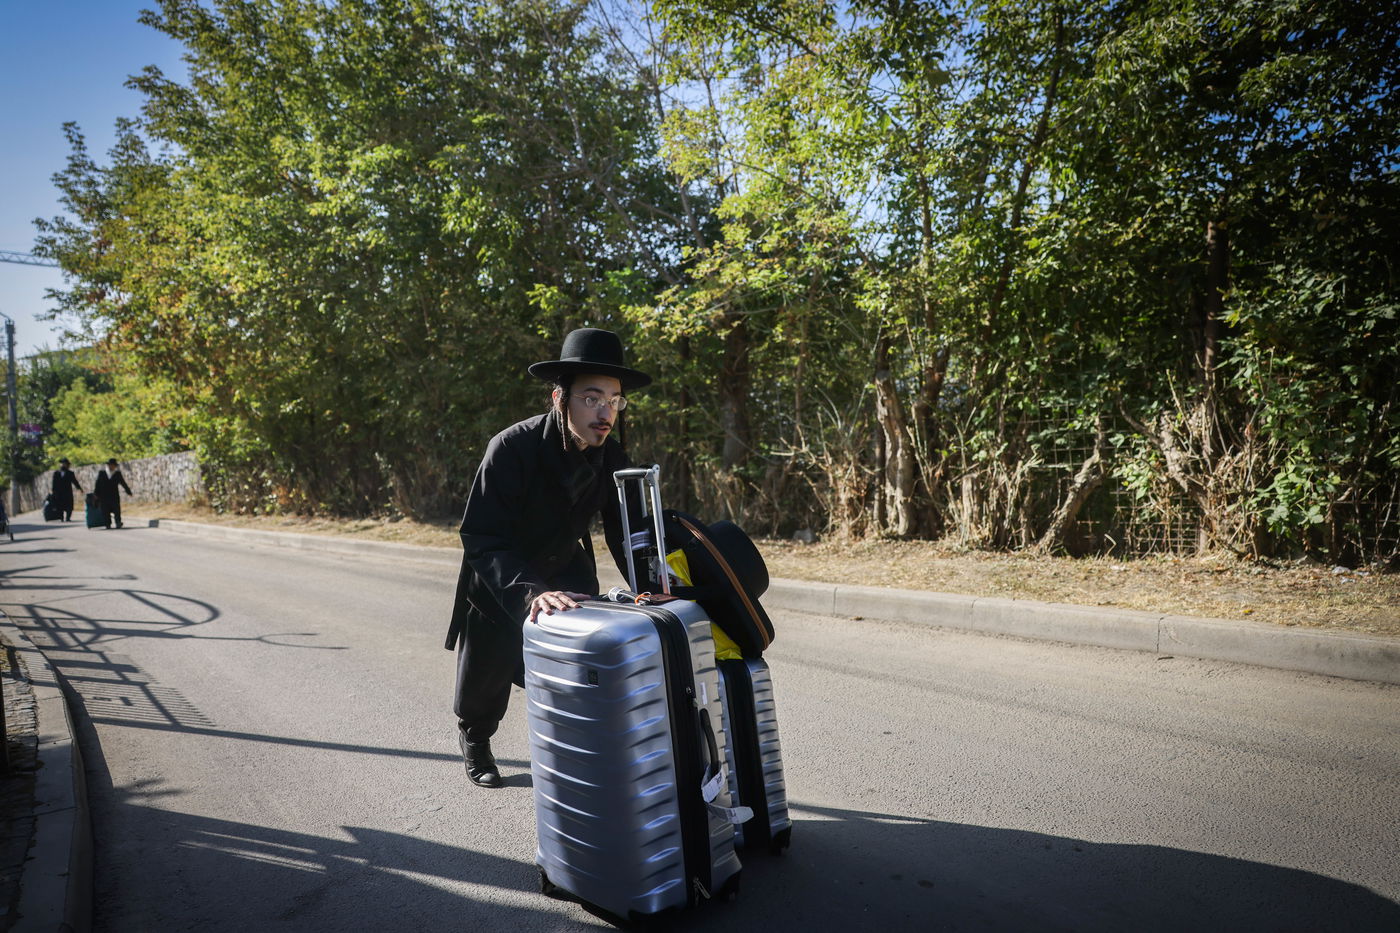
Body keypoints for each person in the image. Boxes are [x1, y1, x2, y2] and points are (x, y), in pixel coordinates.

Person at [444, 327, 650, 788]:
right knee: (485, 679)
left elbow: (628, 531)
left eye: (615, 400)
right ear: (560, 398)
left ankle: (573, 756)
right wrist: (531, 592)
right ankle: (475, 739)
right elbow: (480, 534)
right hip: (503, 578)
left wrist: (648, 585)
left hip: (568, 574)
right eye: (593, 398)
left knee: (579, 673)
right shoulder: (511, 448)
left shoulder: (612, 455)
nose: (606, 412)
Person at [94, 458, 133, 529]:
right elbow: (97, 484)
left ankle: (118, 522)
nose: (113, 467)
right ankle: (107, 524)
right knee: (105, 510)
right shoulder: (102, 473)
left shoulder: (117, 474)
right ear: (109, 465)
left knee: (117, 509)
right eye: (111, 465)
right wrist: (96, 494)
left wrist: (128, 491)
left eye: (114, 465)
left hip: (114, 495)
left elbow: (123, 483)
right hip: (103, 496)